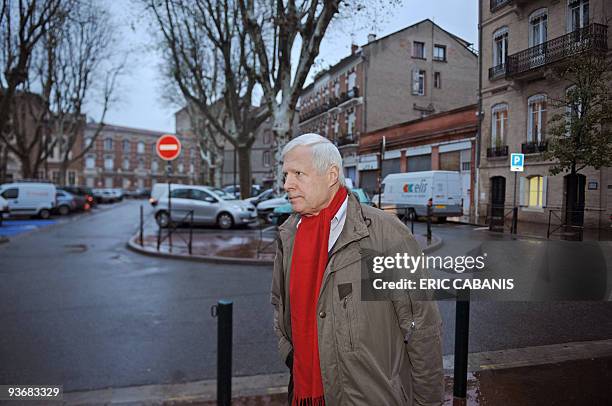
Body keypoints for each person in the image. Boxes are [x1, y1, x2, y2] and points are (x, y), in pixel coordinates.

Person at [271, 133, 444, 405]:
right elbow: (279, 304)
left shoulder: (387, 236)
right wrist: (292, 355)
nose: (287, 184)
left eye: (298, 174)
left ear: (331, 176)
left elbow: (421, 327)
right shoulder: (289, 235)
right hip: (305, 392)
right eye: (286, 175)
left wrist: (428, 402)